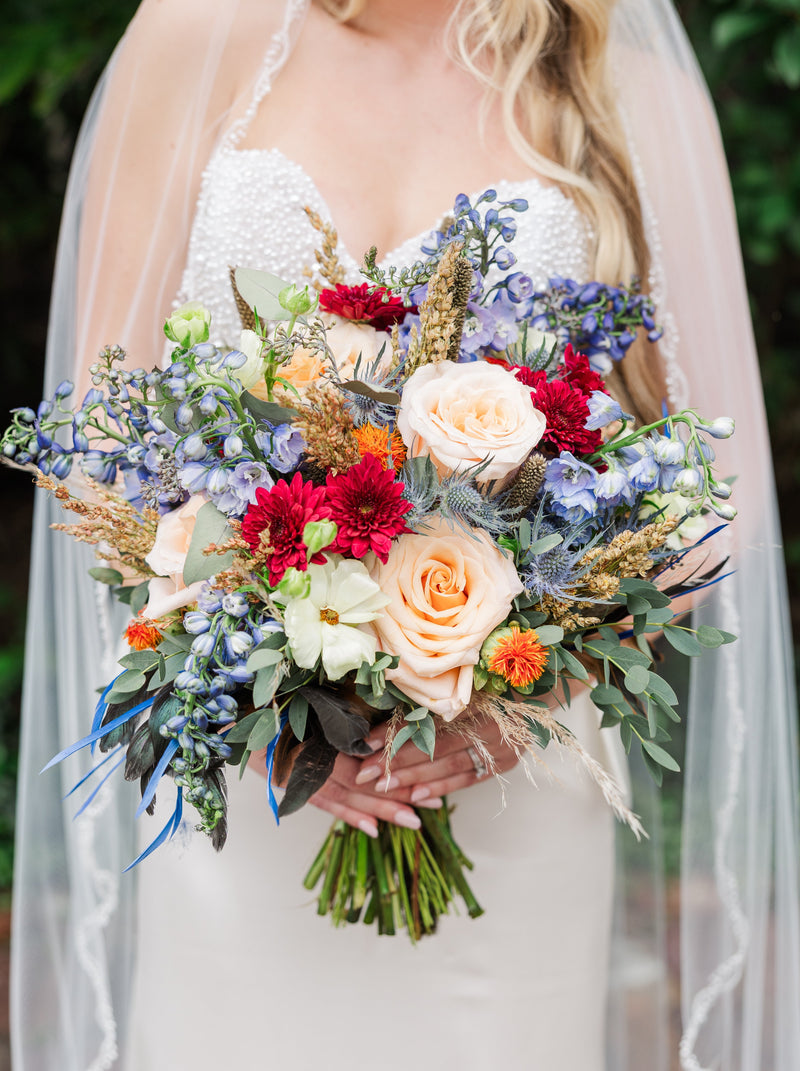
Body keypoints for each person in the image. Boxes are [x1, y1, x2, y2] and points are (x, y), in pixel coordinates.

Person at [11, 1, 800, 1069]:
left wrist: (534, 699)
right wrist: (269, 712)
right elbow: (94, 433)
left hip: (514, 781)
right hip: (250, 795)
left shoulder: (613, 72)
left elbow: (723, 489)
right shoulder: (195, 33)